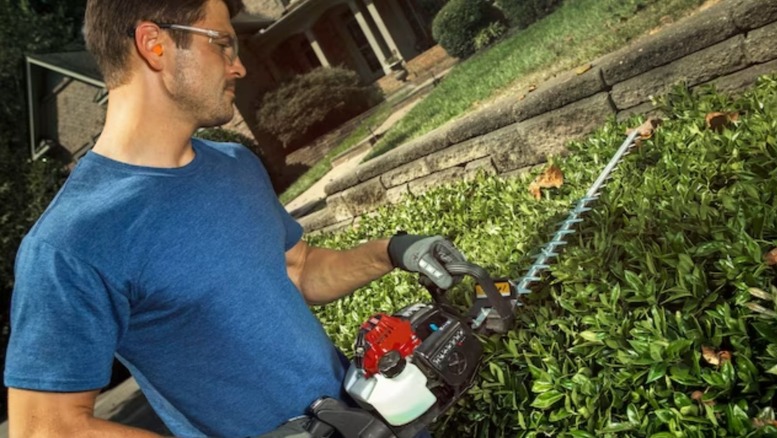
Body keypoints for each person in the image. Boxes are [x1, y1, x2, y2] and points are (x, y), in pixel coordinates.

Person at [4, 0, 466, 436]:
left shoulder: (234, 163)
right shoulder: (71, 242)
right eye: (221, 43)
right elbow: (45, 426)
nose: (239, 65)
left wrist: (391, 251)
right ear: (154, 44)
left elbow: (299, 267)